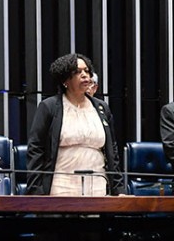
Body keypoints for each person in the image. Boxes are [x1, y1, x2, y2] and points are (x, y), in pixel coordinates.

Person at [26, 53, 125, 196]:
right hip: (61, 187)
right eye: (78, 72)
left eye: (87, 71)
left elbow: (112, 151)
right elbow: (36, 149)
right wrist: (35, 191)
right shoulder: (49, 107)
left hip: (98, 186)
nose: (85, 75)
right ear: (65, 79)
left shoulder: (102, 108)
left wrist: (119, 188)